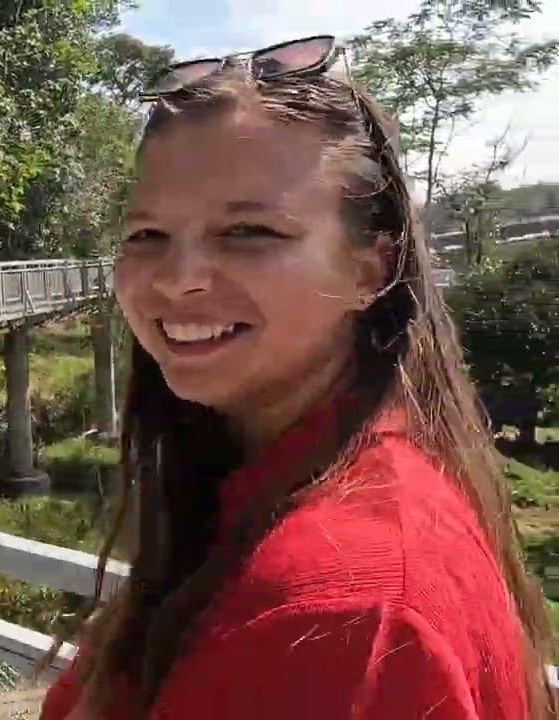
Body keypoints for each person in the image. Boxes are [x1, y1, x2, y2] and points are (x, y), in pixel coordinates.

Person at [39, 36, 554, 720]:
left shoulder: (343, 610)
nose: (178, 278)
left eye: (249, 232)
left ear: (370, 268)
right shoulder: (254, 493)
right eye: (147, 236)